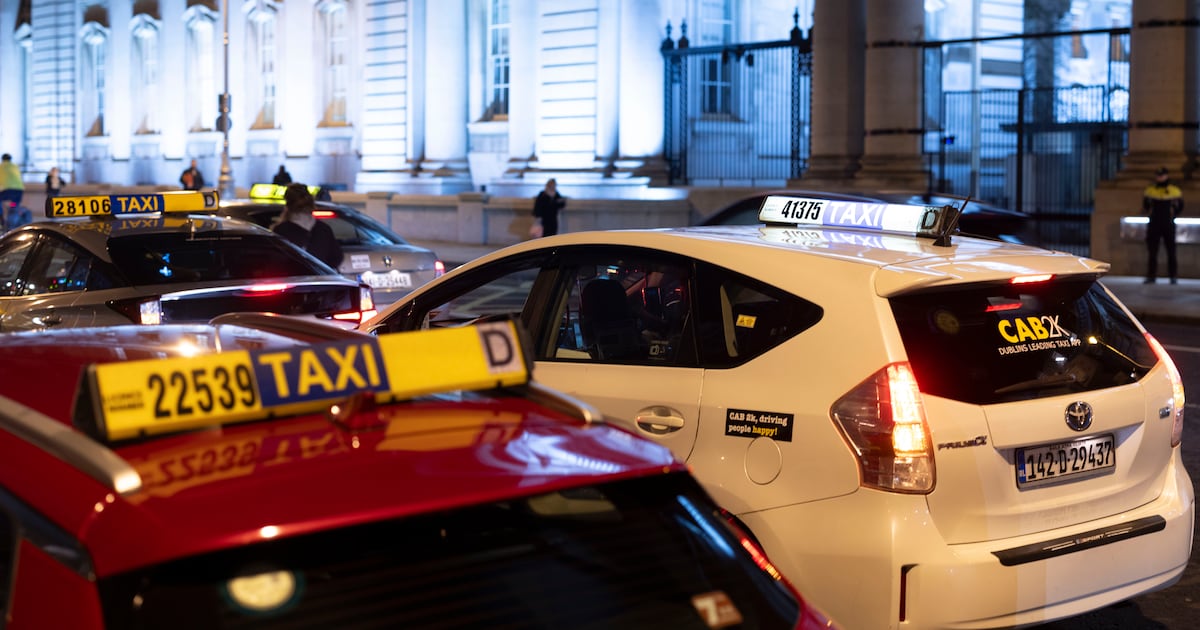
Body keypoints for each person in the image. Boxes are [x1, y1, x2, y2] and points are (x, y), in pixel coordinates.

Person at [272, 182, 344, 269]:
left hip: (295, 280)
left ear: (287, 205)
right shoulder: (324, 229)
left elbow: (274, 261)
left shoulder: (281, 231)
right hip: (320, 280)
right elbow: (337, 258)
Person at [1142, 166, 1184, 284]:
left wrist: (1173, 215)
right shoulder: (1150, 190)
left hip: (1168, 223)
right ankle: (1151, 276)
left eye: (1162, 175)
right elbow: (1146, 205)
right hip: (1154, 223)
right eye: (1158, 175)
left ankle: (1173, 276)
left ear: (1166, 176)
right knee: (1152, 251)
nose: (1160, 177)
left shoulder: (1174, 190)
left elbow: (1180, 206)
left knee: (1171, 251)